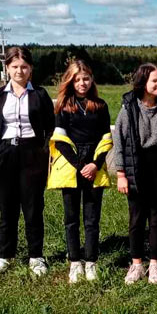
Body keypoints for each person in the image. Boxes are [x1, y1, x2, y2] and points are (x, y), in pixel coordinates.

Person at [0, 46, 55, 278]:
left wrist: (45, 154)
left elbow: (51, 127)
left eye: (24, 67)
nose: (19, 71)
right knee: (7, 209)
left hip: (33, 155)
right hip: (4, 155)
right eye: (14, 67)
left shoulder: (40, 95)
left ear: (30, 68)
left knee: (33, 208)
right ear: (7, 68)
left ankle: (36, 257)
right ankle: (5, 257)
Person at [113, 63, 157, 284]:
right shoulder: (129, 107)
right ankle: (136, 264)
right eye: (155, 80)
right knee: (136, 218)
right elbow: (119, 140)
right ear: (143, 82)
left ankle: (154, 262)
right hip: (137, 164)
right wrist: (121, 173)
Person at [47, 59, 112, 283]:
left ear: (91, 79)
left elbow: (106, 137)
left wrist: (95, 163)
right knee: (71, 218)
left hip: (94, 167)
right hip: (71, 168)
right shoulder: (63, 106)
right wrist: (78, 165)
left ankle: (91, 261)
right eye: (77, 79)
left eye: (86, 78)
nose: (82, 83)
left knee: (92, 219)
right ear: (70, 81)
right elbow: (60, 140)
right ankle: (75, 262)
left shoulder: (101, 105)